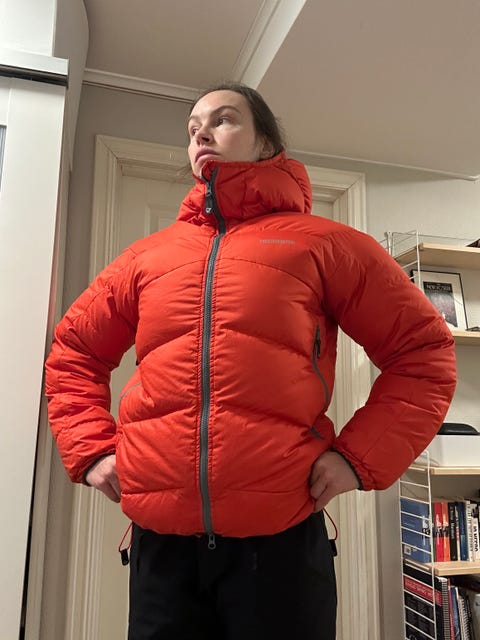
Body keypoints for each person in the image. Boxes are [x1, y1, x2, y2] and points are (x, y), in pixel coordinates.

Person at [45, 82, 456, 640]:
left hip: (280, 545)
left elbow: (423, 353)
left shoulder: (326, 246)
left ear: (266, 143)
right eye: (193, 128)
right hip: (163, 549)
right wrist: (92, 449)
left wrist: (358, 459)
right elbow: (74, 352)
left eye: (223, 120)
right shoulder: (146, 258)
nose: (202, 134)